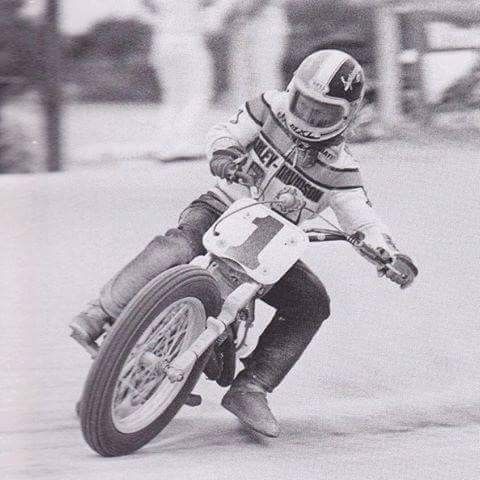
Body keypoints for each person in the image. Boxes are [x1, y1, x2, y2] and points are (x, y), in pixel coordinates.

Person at [70, 50, 418, 438]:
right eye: (306, 104)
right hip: (223, 206)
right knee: (180, 245)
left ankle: (252, 387)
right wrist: (225, 157)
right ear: (293, 91)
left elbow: (362, 217)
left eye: (325, 113)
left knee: (312, 303)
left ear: (347, 115)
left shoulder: (342, 169)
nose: (311, 118)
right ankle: (101, 312)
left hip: (272, 245)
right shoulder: (268, 107)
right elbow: (224, 132)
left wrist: (387, 254)